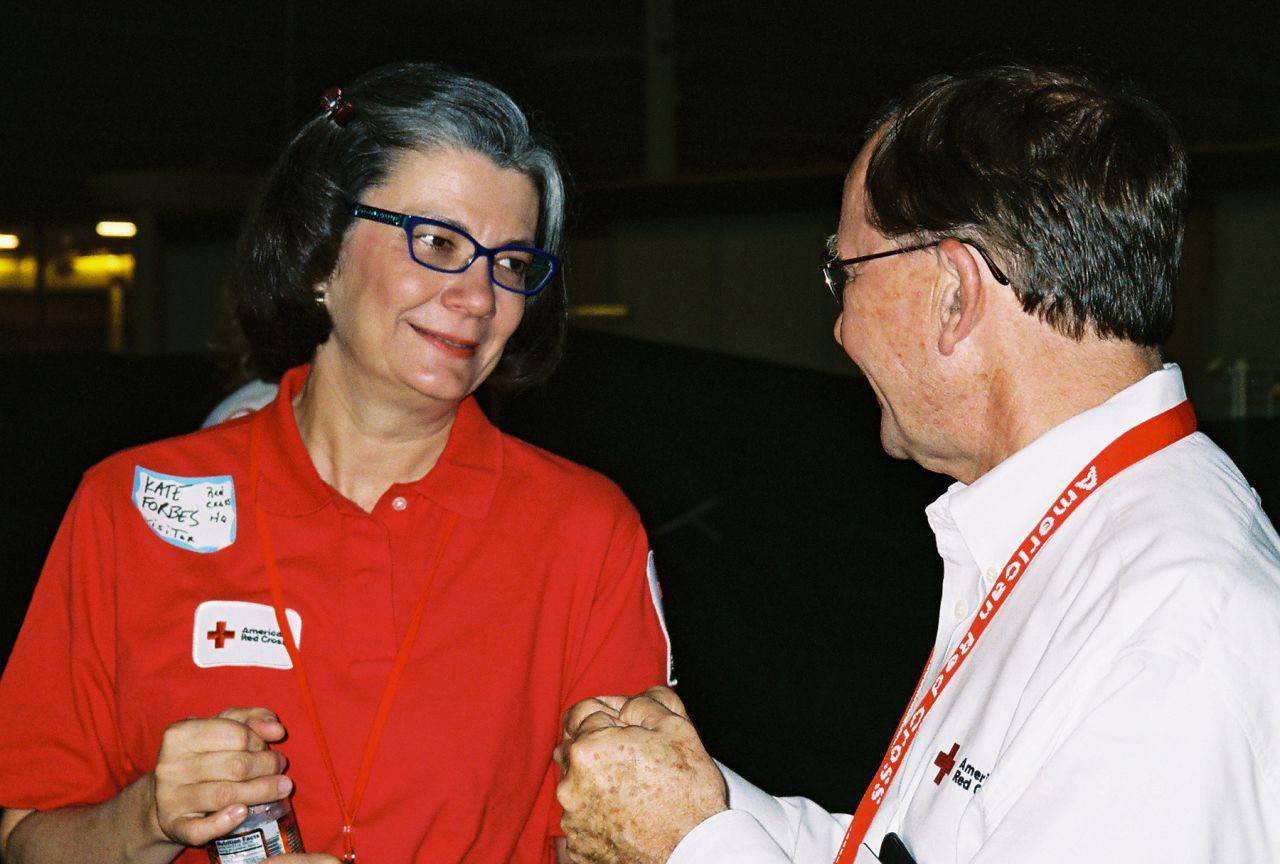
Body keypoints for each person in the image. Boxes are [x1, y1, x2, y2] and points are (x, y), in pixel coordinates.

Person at [555, 65, 1280, 864]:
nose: (840, 331)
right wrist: (697, 803)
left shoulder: (1175, 628)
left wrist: (685, 846)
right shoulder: (1081, 535)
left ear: (954, 295)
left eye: (846, 273)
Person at [0, 62, 672, 864]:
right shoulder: (132, 505)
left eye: (513, 263)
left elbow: (625, 845)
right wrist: (146, 814)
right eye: (437, 241)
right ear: (321, 252)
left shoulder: (583, 532)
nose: (481, 298)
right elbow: (28, 836)